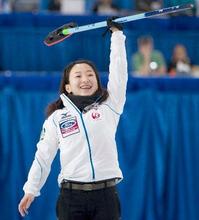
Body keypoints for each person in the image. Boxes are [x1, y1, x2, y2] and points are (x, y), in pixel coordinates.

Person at [18, 19, 127, 220]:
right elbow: (43, 156)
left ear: (96, 81)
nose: (85, 79)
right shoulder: (57, 118)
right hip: (71, 198)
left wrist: (117, 37)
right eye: (78, 76)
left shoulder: (110, 107)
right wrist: (31, 189)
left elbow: (119, 74)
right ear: (68, 86)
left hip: (106, 197)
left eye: (90, 75)